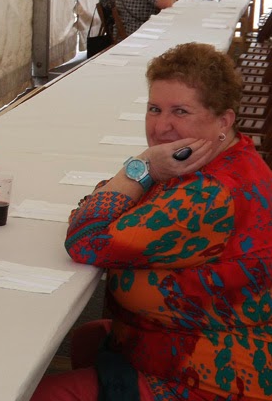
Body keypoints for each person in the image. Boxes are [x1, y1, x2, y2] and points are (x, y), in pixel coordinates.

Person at [32, 42, 272, 401]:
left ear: (223, 121)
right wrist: (136, 180)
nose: (161, 127)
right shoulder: (218, 160)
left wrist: (141, 167)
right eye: (154, 109)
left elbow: (86, 237)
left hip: (211, 378)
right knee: (87, 338)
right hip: (182, 340)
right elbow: (103, 206)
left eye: (181, 111)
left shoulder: (210, 194)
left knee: (43, 390)